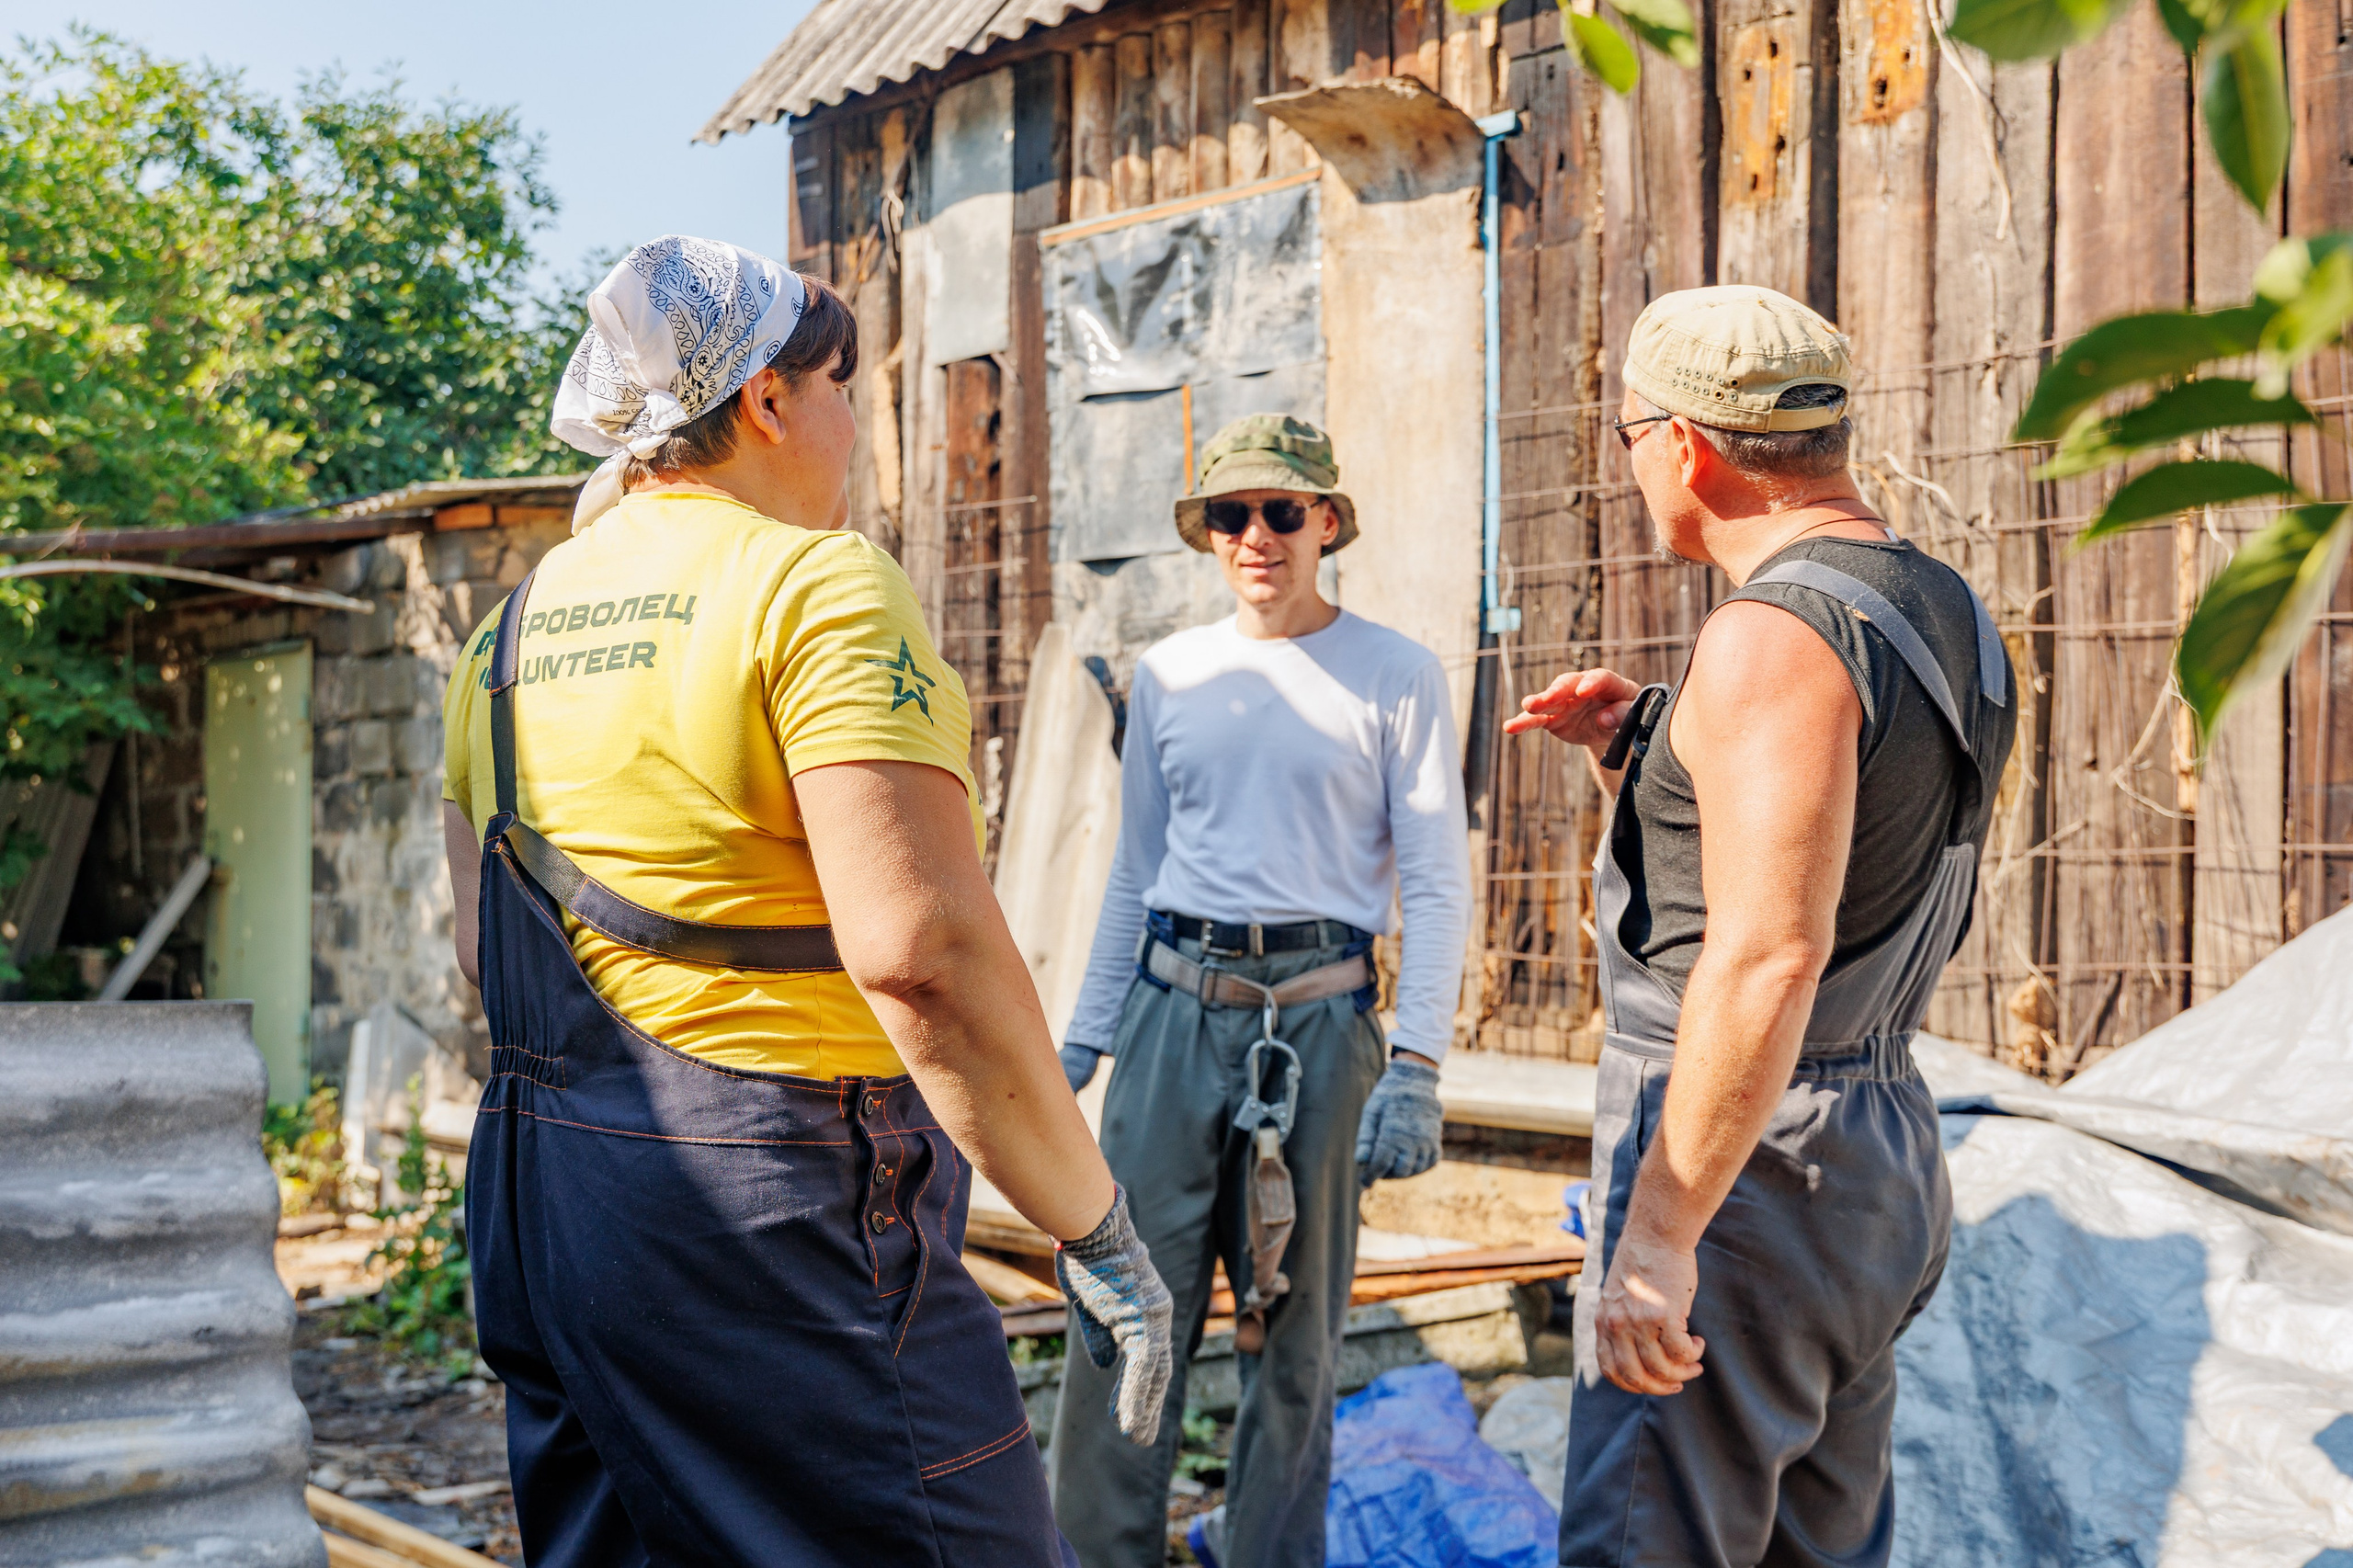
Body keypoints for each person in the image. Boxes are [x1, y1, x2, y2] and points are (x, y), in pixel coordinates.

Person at [438, 236, 1174, 1568]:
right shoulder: (813, 583)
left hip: (549, 1196)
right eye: (845, 387)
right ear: (769, 400)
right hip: (778, 1207)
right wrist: (1092, 1220)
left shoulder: (509, 629)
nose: (855, 430)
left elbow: (479, 950)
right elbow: (922, 951)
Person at [1505, 285, 2016, 1567]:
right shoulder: (1940, 605)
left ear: (1682, 442)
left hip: (1745, 1156)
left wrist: (1659, 1240)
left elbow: (1771, 952)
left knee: (1650, 1541)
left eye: (1625, 436)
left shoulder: (1772, 638)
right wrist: (1654, 746)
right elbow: (1868, 855)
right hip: (1876, 1143)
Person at [1048, 415, 1474, 1568]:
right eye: (1230, 515)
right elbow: (1133, 870)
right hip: (1174, 1008)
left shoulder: (1393, 671)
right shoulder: (1173, 673)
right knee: (1124, 1304)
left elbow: (1436, 880)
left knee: (1297, 1335)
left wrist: (1420, 1066)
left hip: (1323, 1019)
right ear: (1208, 535)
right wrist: (1083, 1041)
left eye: (1282, 512)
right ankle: (1096, 1554)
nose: (1256, 536)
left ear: (1326, 522)